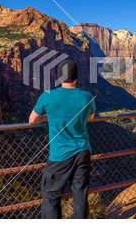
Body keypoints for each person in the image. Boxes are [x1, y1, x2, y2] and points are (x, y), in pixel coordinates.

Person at [29, 60, 95, 219]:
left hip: (59, 156)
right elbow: (90, 118)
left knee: (51, 196)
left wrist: (50, 116)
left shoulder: (48, 96)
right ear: (76, 77)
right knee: (80, 195)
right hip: (82, 152)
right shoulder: (87, 97)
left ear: (59, 77)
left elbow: (32, 120)